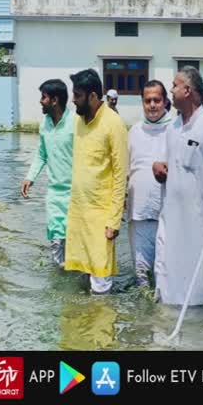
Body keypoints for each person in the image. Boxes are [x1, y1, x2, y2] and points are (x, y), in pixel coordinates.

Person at [153, 66, 203, 306]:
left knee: (198, 288)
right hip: (172, 216)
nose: (171, 90)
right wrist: (160, 170)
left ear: (187, 90)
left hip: (199, 222)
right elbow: (171, 166)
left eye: (174, 85)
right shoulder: (172, 127)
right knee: (169, 279)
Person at [65, 70, 128, 294]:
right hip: (79, 214)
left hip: (102, 217)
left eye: (78, 95)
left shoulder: (114, 123)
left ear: (93, 96)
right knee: (82, 277)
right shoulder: (78, 121)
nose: (73, 99)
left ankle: (102, 326)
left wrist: (114, 221)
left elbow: (121, 174)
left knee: (101, 285)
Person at [20, 79, 73, 267]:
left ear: (54, 100)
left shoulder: (75, 123)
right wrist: (30, 177)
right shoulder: (45, 124)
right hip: (55, 195)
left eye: (43, 97)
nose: (40, 101)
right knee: (56, 241)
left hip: (76, 194)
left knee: (75, 243)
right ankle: (58, 283)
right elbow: (41, 154)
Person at [127, 80, 173, 287]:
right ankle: (143, 317)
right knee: (141, 275)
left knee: (165, 273)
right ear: (142, 103)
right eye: (148, 101)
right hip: (138, 212)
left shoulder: (176, 130)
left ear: (165, 102)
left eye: (157, 100)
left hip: (168, 214)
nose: (152, 105)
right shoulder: (134, 131)